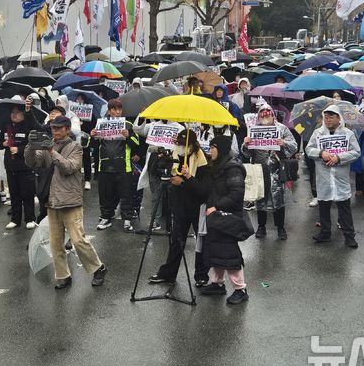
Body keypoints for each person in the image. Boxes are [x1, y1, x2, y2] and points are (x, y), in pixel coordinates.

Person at [24, 115, 107, 289]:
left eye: (58, 128)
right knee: (55, 243)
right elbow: (32, 162)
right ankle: (63, 275)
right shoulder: (48, 147)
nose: (55, 131)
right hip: (53, 201)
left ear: (67, 129)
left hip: (70, 201)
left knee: (78, 241)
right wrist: (30, 146)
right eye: (53, 128)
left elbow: (69, 167)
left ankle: (98, 268)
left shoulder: (75, 146)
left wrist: (52, 152)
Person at [148, 129, 210, 286]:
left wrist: (185, 181)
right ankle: (168, 273)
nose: (181, 146)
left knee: (201, 241)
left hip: (197, 205)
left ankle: (201, 275)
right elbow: (159, 170)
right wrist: (161, 159)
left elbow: (203, 189)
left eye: (184, 144)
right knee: (176, 240)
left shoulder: (200, 158)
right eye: (179, 143)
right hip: (179, 204)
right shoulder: (174, 154)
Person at [198, 135, 250, 305]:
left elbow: (236, 195)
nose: (210, 150)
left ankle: (240, 289)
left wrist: (217, 207)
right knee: (216, 250)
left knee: (229, 253)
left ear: (221, 149)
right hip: (215, 217)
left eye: (213, 147)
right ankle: (217, 284)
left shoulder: (232, 169)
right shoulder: (216, 167)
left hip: (227, 217)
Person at [305, 105, 361, 248]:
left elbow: (355, 152)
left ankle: (349, 236)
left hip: (341, 176)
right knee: (324, 205)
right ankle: (325, 233)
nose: (328, 119)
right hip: (323, 176)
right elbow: (309, 149)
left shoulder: (348, 133)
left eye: (332, 116)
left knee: (344, 207)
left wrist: (338, 157)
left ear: (338, 118)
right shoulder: (318, 133)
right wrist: (321, 153)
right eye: (326, 116)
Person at [242, 103, 297, 240]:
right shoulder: (253, 130)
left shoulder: (282, 129)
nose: (265, 114)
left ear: (273, 114)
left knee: (278, 198)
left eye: (268, 112)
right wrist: (246, 143)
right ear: (258, 115)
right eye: (262, 112)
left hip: (277, 169)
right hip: (259, 169)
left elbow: (294, 146)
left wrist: (284, 143)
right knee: (260, 197)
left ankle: (280, 227)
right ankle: (261, 226)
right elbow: (246, 153)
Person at [91, 98, 140, 232]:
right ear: (109, 110)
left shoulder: (128, 124)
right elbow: (92, 146)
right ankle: (106, 217)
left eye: (119, 109)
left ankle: (127, 219)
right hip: (105, 165)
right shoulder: (100, 124)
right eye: (114, 109)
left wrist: (128, 136)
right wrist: (93, 135)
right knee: (105, 194)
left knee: (126, 194)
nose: (117, 112)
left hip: (124, 166)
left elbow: (137, 144)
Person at [0, 104, 36, 229]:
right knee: (14, 193)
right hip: (10, 165)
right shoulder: (7, 126)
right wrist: (4, 143)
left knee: (27, 193)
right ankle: (15, 219)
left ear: (23, 113)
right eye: (12, 112)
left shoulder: (28, 126)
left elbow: (33, 145)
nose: (14, 114)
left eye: (17, 112)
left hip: (25, 165)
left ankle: (30, 218)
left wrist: (19, 149)